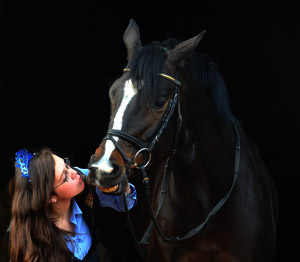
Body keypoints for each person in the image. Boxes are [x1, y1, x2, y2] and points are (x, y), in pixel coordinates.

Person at [8, 148, 137, 262]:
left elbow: (124, 204)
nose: (73, 172)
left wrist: (122, 184)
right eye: (65, 177)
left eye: (67, 165)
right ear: (50, 198)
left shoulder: (82, 179)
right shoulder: (34, 244)